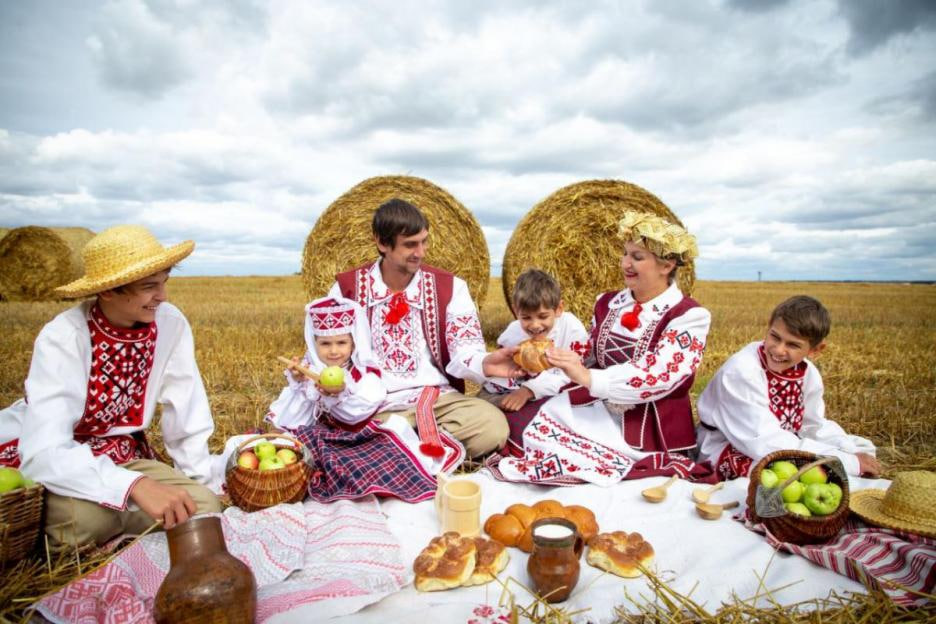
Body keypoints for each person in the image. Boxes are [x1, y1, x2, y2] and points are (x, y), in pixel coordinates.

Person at [0, 225, 221, 547]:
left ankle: (117, 519)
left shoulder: (170, 322)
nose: (163, 296)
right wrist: (135, 486)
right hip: (64, 459)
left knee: (202, 507)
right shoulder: (64, 337)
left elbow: (185, 404)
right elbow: (43, 451)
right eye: (149, 287)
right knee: (84, 524)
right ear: (108, 291)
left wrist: (198, 479)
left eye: (164, 283)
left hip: (121, 453)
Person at [491, 210, 716, 486]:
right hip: (596, 402)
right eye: (625, 254)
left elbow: (659, 376)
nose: (626, 264)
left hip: (647, 423)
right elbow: (586, 357)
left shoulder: (687, 316)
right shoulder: (608, 303)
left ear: (666, 265)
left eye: (637, 257)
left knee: (554, 444)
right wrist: (543, 375)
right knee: (519, 421)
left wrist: (588, 378)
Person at [328, 198, 518, 458]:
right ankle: (421, 449)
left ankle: (395, 449)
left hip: (438, 401)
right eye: (410, 245)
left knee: (492, 427)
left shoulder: (451, 288)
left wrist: (486, 364)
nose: (420, 252)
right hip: (372, 405)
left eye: (423, 241)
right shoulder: (346, 289)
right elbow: (328, 351)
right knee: (343, 433)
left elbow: (465, 348)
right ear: (382, 243)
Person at [264, 296, 462, 502]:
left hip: (354, 436)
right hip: (319, 434)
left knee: (373, 461)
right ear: (315, 343)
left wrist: (339, 394)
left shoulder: (362, 372)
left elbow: (360, 412)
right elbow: (292, 416)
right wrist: (299, 382)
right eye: (325, 343)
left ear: (353, 343)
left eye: (341, 342)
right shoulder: (310, 370)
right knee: (289, 447)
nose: (333, 351)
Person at [696, 295, 881, 480]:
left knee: (847, 458)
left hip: (777, 444)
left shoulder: (808, 373)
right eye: (775, 337)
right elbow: (762, 441)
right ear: (768, 328)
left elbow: (812, 425)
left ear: (815, 350)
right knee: (789, 478)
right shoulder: (740, 371)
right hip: (724, 446)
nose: (778, 350)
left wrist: (849, 450)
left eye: (792, 344)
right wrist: (846, 461)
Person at [478, 269, 589, 453]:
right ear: (516, 311)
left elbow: (569, 372)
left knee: (558, 411)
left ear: (559, 309)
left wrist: (528, 390)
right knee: (490, 405)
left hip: (558, 387)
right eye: (526, 318)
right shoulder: (513, 332)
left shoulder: (572, 329)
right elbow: (501, 370)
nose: (535, 325)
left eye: (543, 316)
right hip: (518, 386)